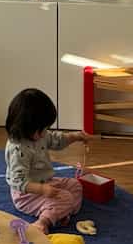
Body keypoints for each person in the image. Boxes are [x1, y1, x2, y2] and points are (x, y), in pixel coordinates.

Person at [5, 88, 90, 235]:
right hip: (27, 194)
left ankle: (62, 212)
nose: (46, 133)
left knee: (75, 185)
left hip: (47, 182)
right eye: (43, 129)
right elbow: (18, 182)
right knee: (65, 197)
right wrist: (42, 190)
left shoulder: (39, 134)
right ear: (26, 127)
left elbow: (57, 140)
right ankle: (43, 222)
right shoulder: (18, 150)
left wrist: (76, 136)